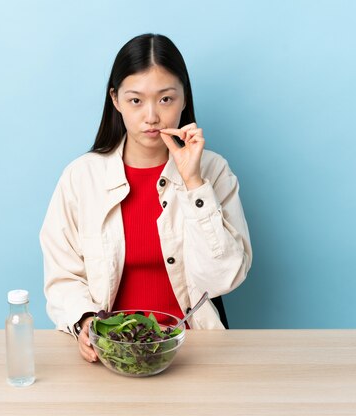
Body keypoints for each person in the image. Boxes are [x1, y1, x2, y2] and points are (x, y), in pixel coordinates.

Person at [40, 33, 252, 363]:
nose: (151, 116)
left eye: (166, 99)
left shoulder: (214, 170)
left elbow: (223, 278)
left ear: (184, 99)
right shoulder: (80, 177)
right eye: (136, 100)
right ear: (116, 99)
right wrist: (85, 321)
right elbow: (62, 276)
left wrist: (194, 183)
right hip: (111, 352)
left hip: (194, 352)